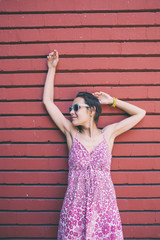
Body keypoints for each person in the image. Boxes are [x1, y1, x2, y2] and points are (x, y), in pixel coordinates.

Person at [43, 50, 146, 240]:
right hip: (74, 209)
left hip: (104, 210)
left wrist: (112, 101)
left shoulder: (108, 134)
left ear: (91, 111)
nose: (71, 112)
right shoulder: (71, 134)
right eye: (70, 108)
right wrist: (51, 69)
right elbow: (48, 102)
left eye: (76, 108)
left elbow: (140, 113)